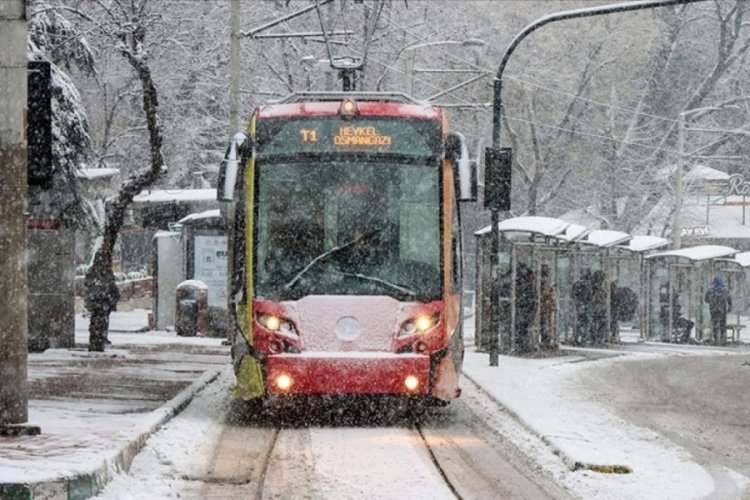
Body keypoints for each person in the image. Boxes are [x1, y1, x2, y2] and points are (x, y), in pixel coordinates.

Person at [514, 263, 537, 354]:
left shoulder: (521, 282)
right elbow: (530, 297)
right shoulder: (526, 284)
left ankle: (521, 345)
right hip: (524, 309)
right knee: (522, 328)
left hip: (524, 309)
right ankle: (521, 346)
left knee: (522, 328)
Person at [705, 276, 732, 345]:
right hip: (722, 311)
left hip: (713, 310)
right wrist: (729, 308)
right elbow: (729, 300)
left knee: (715, 325)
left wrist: (712, 301)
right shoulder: (725, 291)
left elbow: (706, 300)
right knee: (722, 325)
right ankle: (723, 337)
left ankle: (715, 337)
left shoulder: (710, 291)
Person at [572, 269, 592, 345]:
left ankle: (577, 338)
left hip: (579, 305)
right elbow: (590, 296)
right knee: (585, 323)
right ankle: (583, 339)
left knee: (580, 322)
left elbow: (573, 294)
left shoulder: (577, 284)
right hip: (585, 306)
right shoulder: (589, 284)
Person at [539, 264, 557, 348]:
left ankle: (546, 339)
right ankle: (546, 339)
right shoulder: (544, 281)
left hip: (544, 305)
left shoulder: (541, 280)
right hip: (545, 305)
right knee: (546, 322)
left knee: (545, 322)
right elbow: (546, 293)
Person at [589, 270, 609, 346]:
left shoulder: (594, 287)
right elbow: (597, 298)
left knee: (596, 324)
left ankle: (596, 339)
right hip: (599, 308)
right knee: (600, 324)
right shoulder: (597, 289)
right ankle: (598, 339)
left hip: (597, 308)